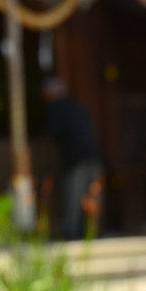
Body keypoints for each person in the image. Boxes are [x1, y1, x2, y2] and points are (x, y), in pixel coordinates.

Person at [43, 76, 104, 239]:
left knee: (74, 195)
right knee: (94, 194)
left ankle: (72, 233)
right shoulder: (78, 106)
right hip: (94, 154)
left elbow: (55, 134)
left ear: (51, 93)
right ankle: (95, 230)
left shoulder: (56, 107)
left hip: (76, 157)